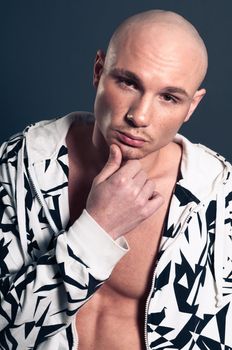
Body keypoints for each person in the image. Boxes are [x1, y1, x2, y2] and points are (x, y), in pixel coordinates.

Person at [0, 8, 232, 350]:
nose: (139, 115)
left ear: (191, 106)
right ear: (98, 71)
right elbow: (7, 333)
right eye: (128, 82)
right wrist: (98, 228)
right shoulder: (19, 167)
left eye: (169, 97)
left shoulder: (218, 199)